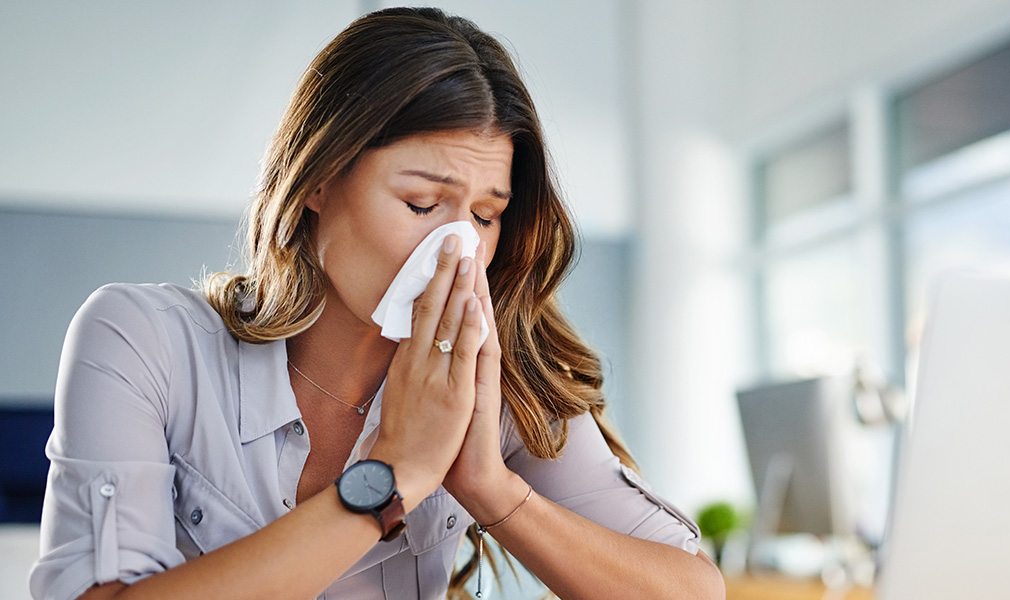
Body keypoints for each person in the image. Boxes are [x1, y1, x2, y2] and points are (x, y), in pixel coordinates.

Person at [30, 7, 724, 600]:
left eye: (484, 217)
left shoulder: (495, 384)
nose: (457, 248)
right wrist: (390, 479)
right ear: (318, 181)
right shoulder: (143, 342)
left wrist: (489, 487)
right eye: (421, 203)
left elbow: (693, 589)